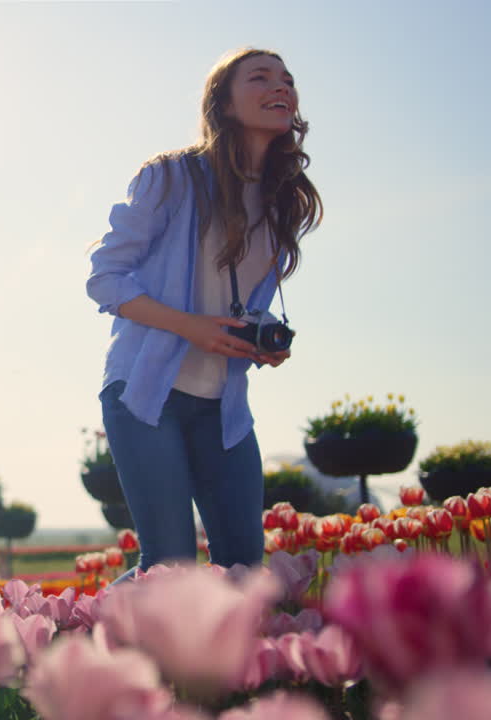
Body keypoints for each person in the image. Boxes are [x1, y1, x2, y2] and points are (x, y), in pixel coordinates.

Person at [86, 48, 322, 581]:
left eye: (287, 78)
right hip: (147, 394)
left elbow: (236, 302)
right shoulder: (171, 177)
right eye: (260, 77)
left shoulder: (282, 202)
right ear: (225, 102)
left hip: (224, 407)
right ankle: (70, 631)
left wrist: (260, 342)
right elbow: (104, 277)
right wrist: (190, 326)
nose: (280, 86)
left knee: (243, 568)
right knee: (169, 567)